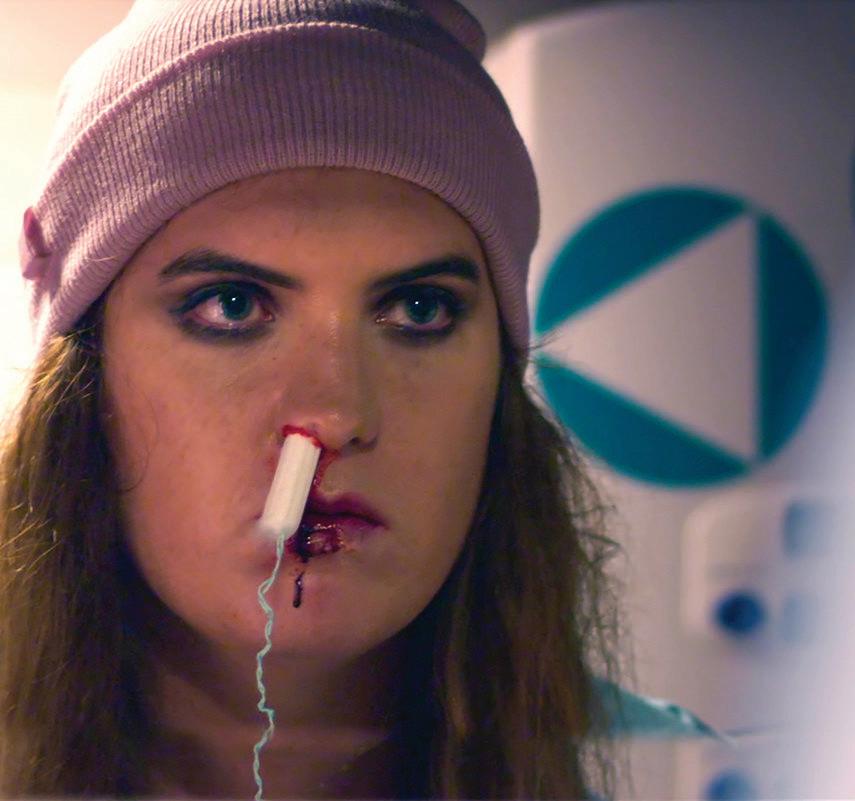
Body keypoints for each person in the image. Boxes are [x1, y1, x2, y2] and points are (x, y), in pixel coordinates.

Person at [0, 1, 709, 798]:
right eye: (231, 306)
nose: (335, 416)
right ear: (83, 386)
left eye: (419, 310)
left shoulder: (695, 778)